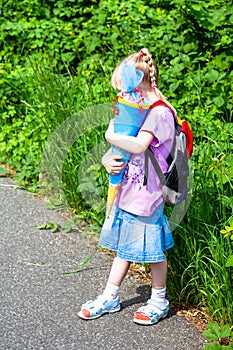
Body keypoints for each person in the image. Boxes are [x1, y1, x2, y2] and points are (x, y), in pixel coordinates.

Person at [78, 48, 176, 325]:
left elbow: (138, 145)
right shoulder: (138, 108)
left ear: (136, 81)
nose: (122, 94)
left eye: (124, 86)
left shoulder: (160, 113)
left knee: (153, 247)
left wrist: (109, 133)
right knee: (126, 244)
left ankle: (159, 299)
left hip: (150, 192)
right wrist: (107, 159)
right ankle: (111, 295)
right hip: (131, 188)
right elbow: (121, 148)